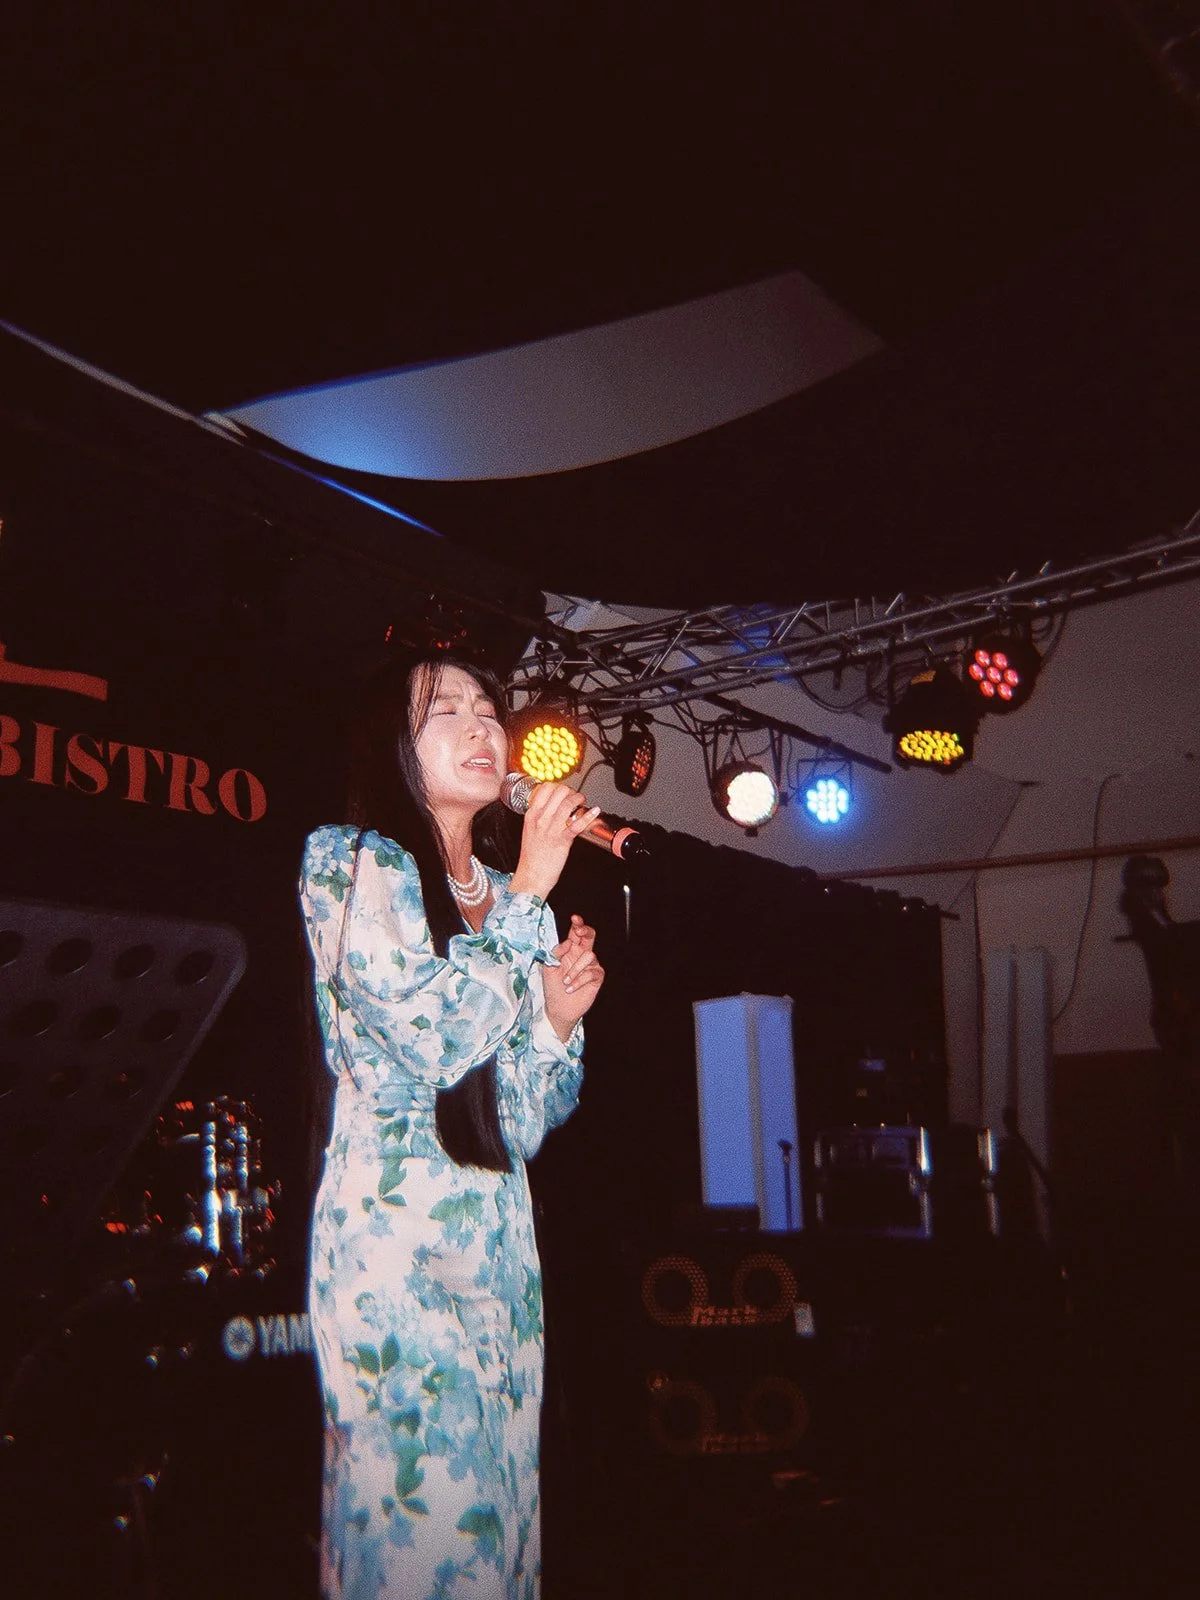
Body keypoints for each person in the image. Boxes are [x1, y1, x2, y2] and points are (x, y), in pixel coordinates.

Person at [298, 650, 604, 1600]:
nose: (482, 728)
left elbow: (513, 1120)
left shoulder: (502, 894)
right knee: (424, 1538)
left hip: (499, 1257)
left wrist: (555, 1020)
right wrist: (528, 899)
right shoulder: (350, 859)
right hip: (398, 1258)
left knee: (500, 1535)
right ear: (392, 742)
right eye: (445, 711)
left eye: (488, 708)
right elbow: (431, 1036)